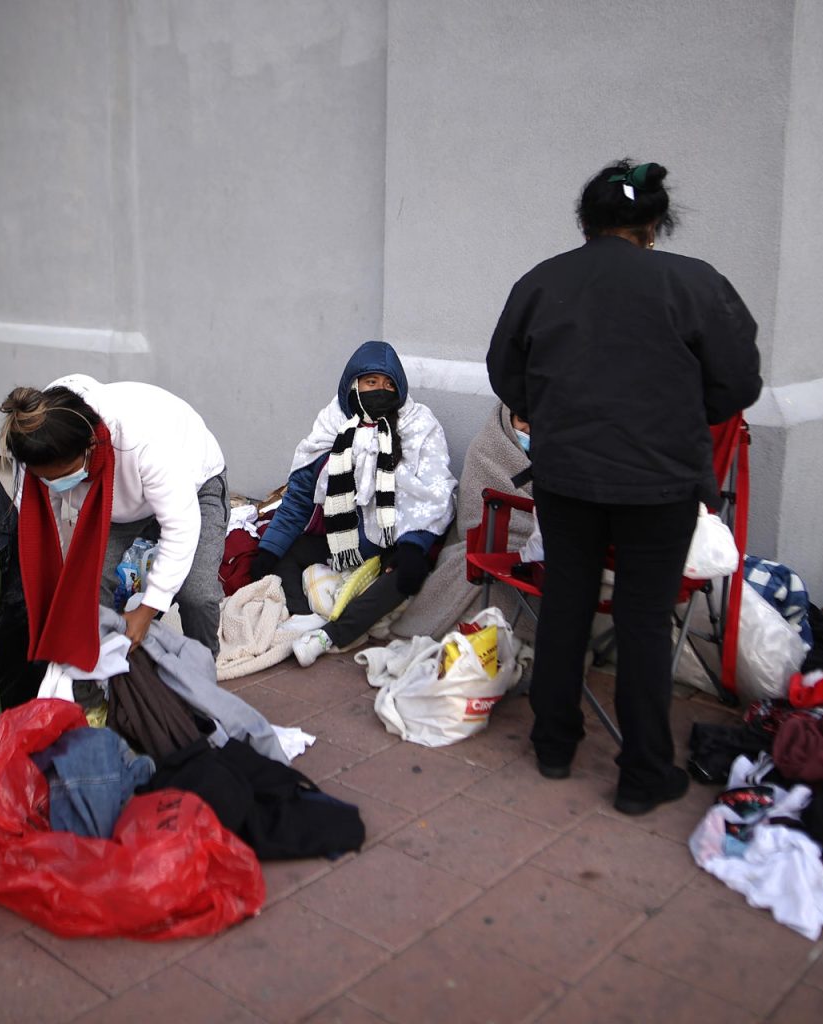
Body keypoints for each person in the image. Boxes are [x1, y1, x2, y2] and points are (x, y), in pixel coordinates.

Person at [486, 159, 761, 815]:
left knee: (565, 604)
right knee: (643, 621)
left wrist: (550, 414)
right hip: (659, 485)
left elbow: (507, 373)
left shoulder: (543, 282)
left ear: (588, 222)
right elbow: (737, 384)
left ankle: (554, 745)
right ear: (654, 224)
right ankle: (642, 773)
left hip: (568, 477)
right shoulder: (694, 284)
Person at [250, 341, 457, 665]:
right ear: (353, 385)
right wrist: (268, 550)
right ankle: (305, 615)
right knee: (285, 553)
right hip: (345, 537)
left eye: (389, 384)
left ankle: (329, 635)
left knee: (407, 577)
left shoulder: (419, 424)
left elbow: (432, 491)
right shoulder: (331, 424)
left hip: (394, 539)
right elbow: (299, 498)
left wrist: (413, 545)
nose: (380, 391)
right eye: (371, 382)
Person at [0, 375, 229, 663]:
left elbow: (180, 526)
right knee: (86, 590)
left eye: (63, 477)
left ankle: (203, 667)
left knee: (198, 594)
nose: (55, 485)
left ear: (91, 446)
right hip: (114, 504)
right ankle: (102, 669)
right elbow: (42, 531)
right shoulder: (35, 440)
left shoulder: (143, 441)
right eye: (46, 480)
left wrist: (146, 610)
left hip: (195, 484)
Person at [388, 401, 535, 640]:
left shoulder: (558, 455)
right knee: (470, 566)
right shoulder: (486, 449)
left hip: (538, 549)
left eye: (535, 421)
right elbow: (472, 515)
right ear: (508, 419)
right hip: (484, 541)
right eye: (522, 420)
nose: (528, 429)